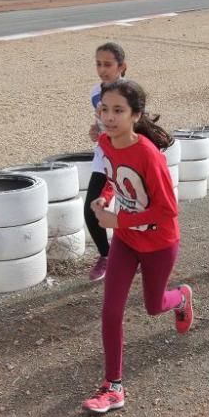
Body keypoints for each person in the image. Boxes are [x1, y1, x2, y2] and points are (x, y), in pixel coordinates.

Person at [83, 79, 194, 414]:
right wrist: (103, 202)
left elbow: (167, 210)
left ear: (135, 115)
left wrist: (118, 221)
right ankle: (113, 386)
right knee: (111, 309)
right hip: (127, 242)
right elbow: (113, 181)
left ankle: (182, 298)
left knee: (153, 305)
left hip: (159, 243)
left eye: (119, 110)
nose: (109, 117)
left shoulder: (148, 154)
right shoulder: (105, 141)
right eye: (105, 109)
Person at [85, 42, 128, 281]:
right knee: (91, 209)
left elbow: (138, 127)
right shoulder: (94, 92)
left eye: (108, 64)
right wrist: (96, 130)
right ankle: (106, 255)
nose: (102, 69)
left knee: (132, 210)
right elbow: (103, 124)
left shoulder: (132, 92)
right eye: (99, 64)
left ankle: (139, 256)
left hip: (128, 158)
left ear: (122, 66)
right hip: (103, 158)